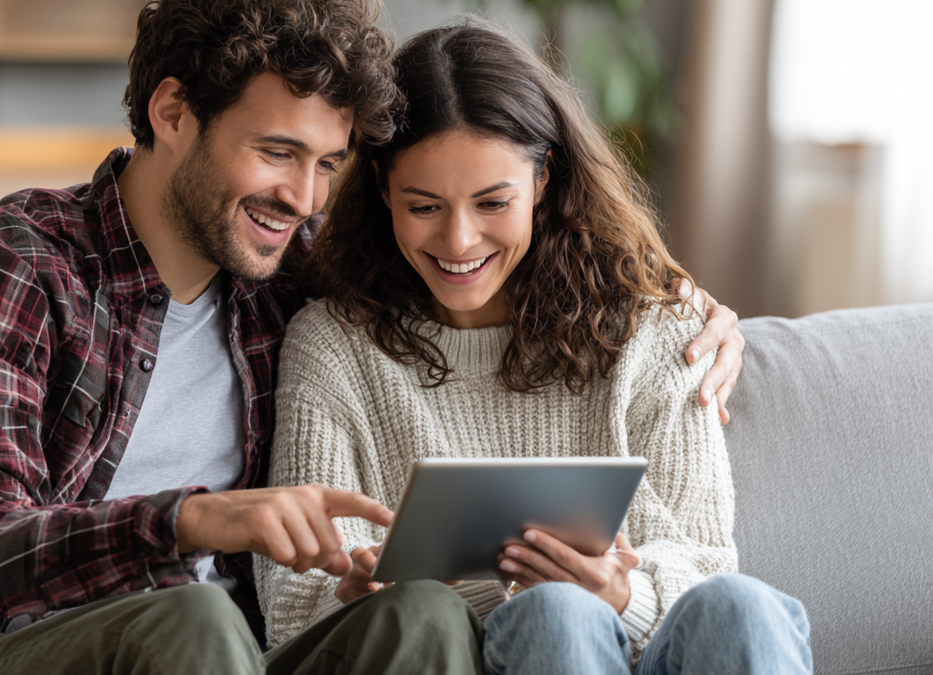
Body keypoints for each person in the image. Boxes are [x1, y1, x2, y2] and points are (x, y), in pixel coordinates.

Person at [0, 3, 743, 674]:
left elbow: (484, 251)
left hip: (227, 656)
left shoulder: (285, 279)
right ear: (172, 113)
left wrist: (682, 301)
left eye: (329, 164)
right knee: (193, 616)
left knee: (421, 612)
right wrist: (193, 519)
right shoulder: (1, 266)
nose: (304, 195)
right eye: (277, 151)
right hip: (0, 648)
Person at [256, 21, 809, 675]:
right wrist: (356, 597)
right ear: (382, 189)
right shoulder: (335, 346)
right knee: (556, 613)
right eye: (425, 206)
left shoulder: (658, 330)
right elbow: (294, 610)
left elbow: (706, 568)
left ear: (543, 177)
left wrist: (621, 593)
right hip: (471, 654)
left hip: (645, 647)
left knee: (741, 606)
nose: (459, 241)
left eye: (493, 202)